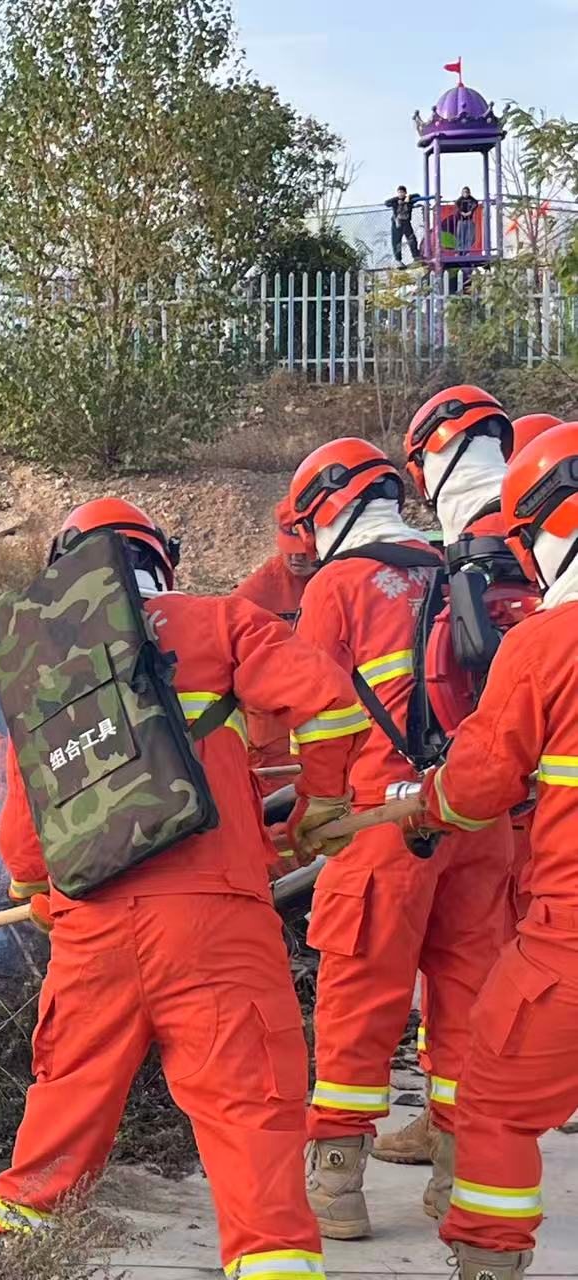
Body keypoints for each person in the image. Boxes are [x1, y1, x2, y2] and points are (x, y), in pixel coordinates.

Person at [0, 498, 369, 1280]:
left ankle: (19, 1255)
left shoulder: (43, 659)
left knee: (65, 1106)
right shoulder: (220, 621)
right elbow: (328, 701)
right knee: (252, 1120)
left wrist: (42, 898)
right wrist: (321, 801)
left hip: (94, 928)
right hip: (216, 923)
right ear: (160, 558)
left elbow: (25, 843)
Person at [286, 438, 513, 1240]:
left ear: (323, 509)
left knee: (359, 992)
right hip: (474, 823)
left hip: (383, 823)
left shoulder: (340, 585)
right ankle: (457, 1178)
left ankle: (338, 1182)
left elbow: (317, 714)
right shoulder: (467, 569)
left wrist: (312, 809)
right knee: (469, 1000)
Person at [405, 423, 578, 1280]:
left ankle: (487, 1263)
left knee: (495, 1104)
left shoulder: (546, 646)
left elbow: (476, 787)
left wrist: (420, 805)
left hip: (569, 942)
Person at [369, 387, 528, 1170]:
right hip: (510, 799)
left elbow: (474, 690)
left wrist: (438, 793)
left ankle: (486, 1129)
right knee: (473, 963)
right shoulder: (519, 532)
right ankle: (452, 1131)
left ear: (433, 454)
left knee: (493, 963)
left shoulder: (485, 541)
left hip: (502, 795)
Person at [236, 497, 319, 778]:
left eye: (303, 550)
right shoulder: (256, 592)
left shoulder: (341, 580)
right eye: (288, 549)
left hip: (327, 719)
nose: (296, 557)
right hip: (273, 733)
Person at [386, 186, 425, 266]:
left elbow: (418, 195)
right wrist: (397, 200)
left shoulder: (409, 200)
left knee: (412, 239)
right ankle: (398, 260)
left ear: (405, 193)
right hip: (397, 223)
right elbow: (386, 203)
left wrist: (408, 197)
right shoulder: (395, 201)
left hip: (406, 223)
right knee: (397, 242)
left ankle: (416, 256)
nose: (401, 194)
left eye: (402, 192)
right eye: (399, 192)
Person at [455, 186, 480, 255]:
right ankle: (459, 251)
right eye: (464, 192)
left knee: (468, 236)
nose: (465, 194)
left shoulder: (472, 199)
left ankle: (466, 251)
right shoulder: (460, 200)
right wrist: (462, 212)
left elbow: (475, 203)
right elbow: (457, 205)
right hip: (461, 220)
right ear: (462, 193)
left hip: (469, 220)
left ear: (469, 193)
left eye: (467, 192)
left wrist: (471, 211)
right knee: (460, 236)